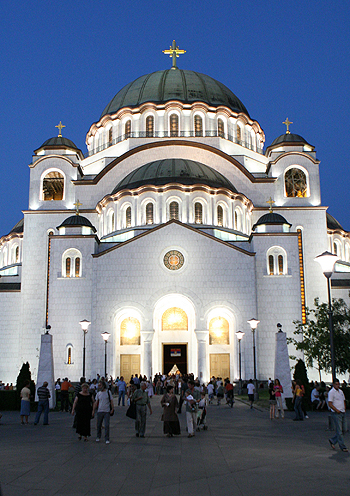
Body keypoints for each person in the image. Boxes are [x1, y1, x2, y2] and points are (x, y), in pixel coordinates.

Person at [328, 379, 348, 452]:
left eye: (338, 384)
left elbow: (343, 400)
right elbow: (330, 403)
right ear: (333, 384)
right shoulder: (331, 392)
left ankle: (333, 440)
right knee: (339, 430)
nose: (338, 386)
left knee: (344, 429)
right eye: (336, 384)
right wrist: (336, 410)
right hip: (336, 413)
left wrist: (344, 408)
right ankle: (342, 446)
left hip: (342, 412)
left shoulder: (341, 392)